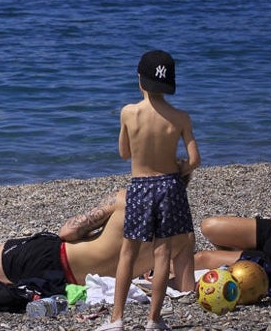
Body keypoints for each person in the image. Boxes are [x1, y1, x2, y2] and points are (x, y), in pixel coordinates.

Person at [0, 187, 194, 294]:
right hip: (63, 285)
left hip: (53, 256)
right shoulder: (184, 234)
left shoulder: (125, 199)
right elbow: (184, 288)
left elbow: (67, 233)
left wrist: (95, 235)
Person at [100, 50, 200, 331]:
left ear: (140, 80)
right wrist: (179, 168)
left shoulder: (129, 113)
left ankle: (116, 319)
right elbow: (195, 160)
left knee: (128, 253)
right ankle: (153, 320)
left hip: (141, 186)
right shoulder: (181, 117)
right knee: (162, 254)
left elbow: (123, 153)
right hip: (169, 186)